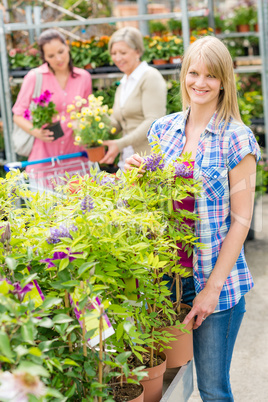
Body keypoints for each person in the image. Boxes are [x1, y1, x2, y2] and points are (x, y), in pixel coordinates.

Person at [125, 36, 261, 401]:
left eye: (211, 76)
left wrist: (210, 292)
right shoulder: (163, 130)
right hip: (165, 282)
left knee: (212, 390)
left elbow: (241, 221)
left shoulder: (238, 140)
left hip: (215, 285)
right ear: (183, 75)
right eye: (193, 73)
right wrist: (138, 175)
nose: (200, 83)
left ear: (224, 81)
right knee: (167, 383)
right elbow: (152, 204)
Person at [12, 29, 92, 178]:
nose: (58, 58)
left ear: (67, 46)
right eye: (51, 56)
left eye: (61, 51)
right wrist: (36, 132)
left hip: (75, 158)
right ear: (44, 57)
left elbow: (88, 112)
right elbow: (17, 115)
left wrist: (81, 123)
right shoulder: (35, 77)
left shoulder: (83, 77)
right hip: (44, 159)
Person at [99, 26, 167, 170]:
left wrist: (121, 143)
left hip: (149, 160)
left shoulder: (150, 77)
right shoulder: (123, 84)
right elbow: (117, 124)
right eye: (113, 53)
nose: (117, 58)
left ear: (137, 51)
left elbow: (153, 121)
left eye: (123, 52)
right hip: (129, 160)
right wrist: (95, 117)